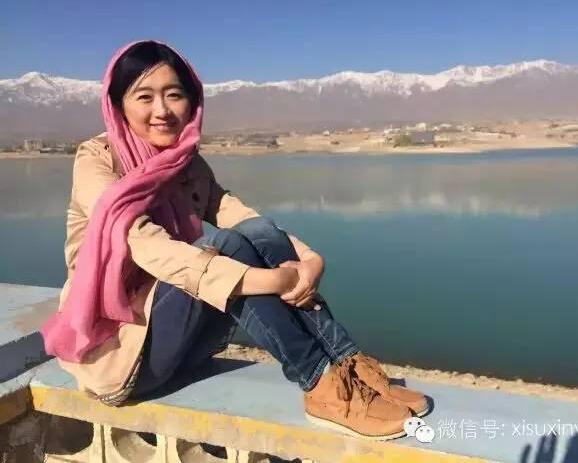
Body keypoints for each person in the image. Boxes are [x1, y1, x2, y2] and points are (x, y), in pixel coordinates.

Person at [41, 40, 428, 441]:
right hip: (124, 356)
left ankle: (347, 364)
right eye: (145, 97)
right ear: (118, 104)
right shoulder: (97, 161)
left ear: (192, 102)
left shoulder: (185, 164)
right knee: (230, 248)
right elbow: (145, 243)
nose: (162, 110)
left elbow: (239, 214)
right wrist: (268, 280)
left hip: (181, 342)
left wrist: (310, 259)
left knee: (256, 233)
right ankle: (320, 384)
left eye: (174, 95)